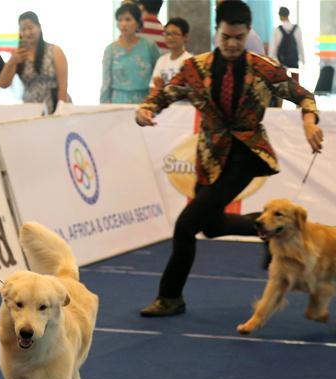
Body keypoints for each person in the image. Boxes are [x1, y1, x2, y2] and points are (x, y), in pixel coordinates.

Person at [134, 0, 323, 317]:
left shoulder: (263, 68)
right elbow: (166, 92)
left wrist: (308, 122)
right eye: (226, 37)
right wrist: (146, 109)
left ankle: (170, 297)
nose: (232, 43)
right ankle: (268, 229)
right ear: (216, 33)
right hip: (209, 155)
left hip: (247, 154)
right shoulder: (197, 68)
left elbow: (303, 94)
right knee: (211, 227)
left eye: (238, 37)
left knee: (185, 226)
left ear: (248, 33)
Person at [0, 11, 69, 113]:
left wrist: (61, 112)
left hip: (54, 107)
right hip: (30, 110)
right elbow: (4, 84)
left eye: (30, 28)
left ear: (39, 27)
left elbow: (63, 86)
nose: (27, 33)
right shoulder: (18, 55)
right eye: (23, 29)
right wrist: (12, 61)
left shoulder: (54, 51)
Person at [100, 2, 161, 104]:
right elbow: (106, 82)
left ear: (137, 22)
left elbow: (157, 76)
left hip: (144, 100)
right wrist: (103, 106)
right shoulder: (110, 50)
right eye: (120, 20)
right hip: (117, 100)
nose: (123, 24)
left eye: (128, 19)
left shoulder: (149, 46)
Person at [151, 17, 192, 91]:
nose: (170, 37)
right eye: (167, 34)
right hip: (163, 102)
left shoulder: (190, 61)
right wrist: (159, 87)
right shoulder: (161, 61)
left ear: (185, 37)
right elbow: (152, 88)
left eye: (175, 34)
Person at [269, 7, 304, 73]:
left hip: (281, 63)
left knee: (283, 82)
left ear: (280, 15)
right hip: (294, 61)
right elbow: (300, 46)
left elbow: (273, 47)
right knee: (294, 81)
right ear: (288, 14)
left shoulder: (277, 30)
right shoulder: (297, 29)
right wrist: (303, 61)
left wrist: (271, 60)